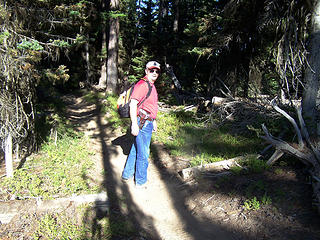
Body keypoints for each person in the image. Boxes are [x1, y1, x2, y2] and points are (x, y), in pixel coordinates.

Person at [121, 61, 161, 188]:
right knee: (143, 153)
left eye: (157, 71)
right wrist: (134, 124)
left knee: (135, 149)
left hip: (147, 121)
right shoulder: (142, 85)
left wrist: (153, 120)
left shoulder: (151, 85)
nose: (154, 73)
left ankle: (126, 175)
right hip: (142, 122)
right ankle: (141, 181)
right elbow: (133, 104)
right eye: (152, 70)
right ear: (146, 71)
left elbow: (149, 105)